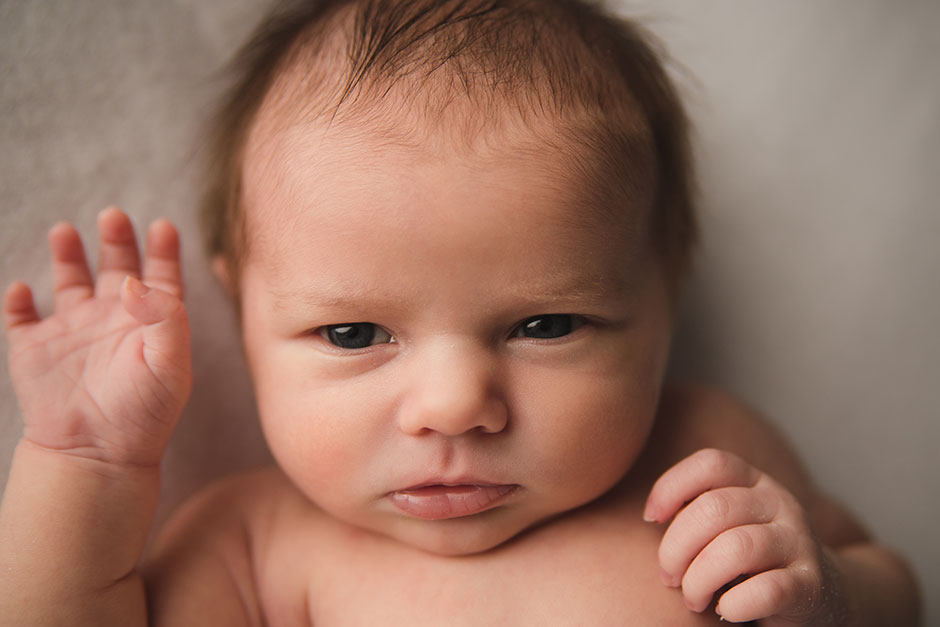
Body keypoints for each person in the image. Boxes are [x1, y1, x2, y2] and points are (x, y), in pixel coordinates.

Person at [0, 0, 920, 624]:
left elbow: (896, 586)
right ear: (243, 310)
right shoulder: (255, 543)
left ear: (661, 295)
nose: (452, 405)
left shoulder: (707, 456)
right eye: (354, 333)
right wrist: (88, 463)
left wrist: (830, 591)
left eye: (546, 324)